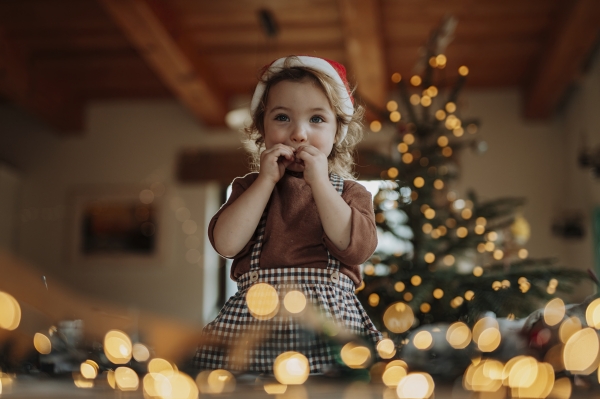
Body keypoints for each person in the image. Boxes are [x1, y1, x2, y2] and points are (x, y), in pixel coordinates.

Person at [193, 55, 382, 374]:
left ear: (337, 132)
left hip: (329, 321)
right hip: (255, 320)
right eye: (282, 118)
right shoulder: (249, 188)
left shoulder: (350, 193)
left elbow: (355, 247)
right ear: (261, 129)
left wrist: (320, 183)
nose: (298, 134)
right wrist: (265, 181)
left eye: (317, 120)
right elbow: (226, 244)